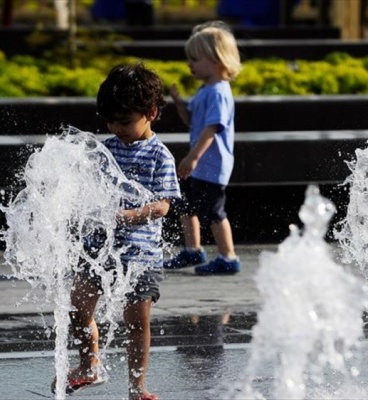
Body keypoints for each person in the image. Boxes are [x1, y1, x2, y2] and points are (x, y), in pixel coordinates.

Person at [51, 63, 181, 400]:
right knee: (78, 304)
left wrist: (129, 215)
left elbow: (164, 205)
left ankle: (137, 387)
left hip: (140, 255)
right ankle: (89, 363)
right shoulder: (104, 149)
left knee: (137, 323)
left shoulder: (159, 156)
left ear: (150, 113)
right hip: (99, 249)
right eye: (110, 121)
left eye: (124, 121)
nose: (116, 128)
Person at [164, 21, 242, 275]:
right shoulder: (205, 90)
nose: (190, 65)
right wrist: (179, 105)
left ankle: (228, 256)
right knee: (184, 203)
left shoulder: (219, 92)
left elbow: (212, 128)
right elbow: (192, 122)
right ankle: (192, 249)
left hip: (211, 165)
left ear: (217, 60)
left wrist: (193, 157)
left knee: (214, 211)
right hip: (199, 164)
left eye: (195, 59)